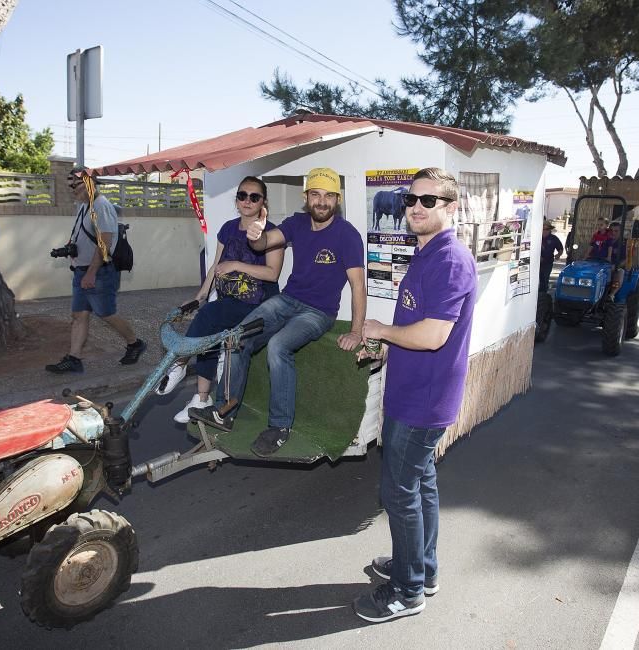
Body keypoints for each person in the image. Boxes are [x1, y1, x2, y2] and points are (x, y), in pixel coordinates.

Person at [351, 167, 477, 623]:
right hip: (414, 390)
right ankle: (421, 570)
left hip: (423, 400)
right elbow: (415, 329)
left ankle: (406, 591)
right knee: (420, 484)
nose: (416, 208)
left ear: (450, 207)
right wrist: (386, 346)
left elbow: (434, 335)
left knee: (398, 490)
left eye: (428, 201)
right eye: (411, 200)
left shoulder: (448, 259)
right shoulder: (428, 253)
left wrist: (382, 329)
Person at [189, 167, 366, 456]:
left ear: (337, 199)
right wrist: (257, 235)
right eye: (316, 194)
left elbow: (358, 285)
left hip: (318, 312)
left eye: (329, 196)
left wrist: (356, 331)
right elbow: (264, 242)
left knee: (277, 346)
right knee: (236, 338)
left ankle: (280, 426)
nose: (321, 201)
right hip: (287, 299)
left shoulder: (347, 235)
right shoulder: (297, 222)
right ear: (306, 197)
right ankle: (224, 411)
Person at [158, 177, 284, 423]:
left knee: (210, 316)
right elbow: (216, 266)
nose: (247, 201)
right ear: (236, 199)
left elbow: (272, 273)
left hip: (257, 304)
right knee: (208, 327)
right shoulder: (228, 228)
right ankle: (201, 397)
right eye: (242, 195)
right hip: (229, 300)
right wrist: (198, 297)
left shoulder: (272, 232)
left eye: (254, 197)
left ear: (263, 202)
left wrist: (237, 264)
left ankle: (181, 363)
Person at [45, 170, 145, 373]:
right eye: (70, 185)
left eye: (75, 185)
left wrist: (91, 273)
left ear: (89, 184)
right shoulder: (84, 206)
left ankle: (135, 343)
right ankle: (74, 358)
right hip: (82, 271)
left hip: (99, 272)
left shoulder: (101, 206)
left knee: (106, 314)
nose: (72, 190)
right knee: (79, 315)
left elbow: (105, 244)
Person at [587, 221, 625, 301]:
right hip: (598, 264)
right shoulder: (602, 239)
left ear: (621, 231)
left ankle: (611, 294)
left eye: (616, 231)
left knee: (620, 272)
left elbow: (626, 259)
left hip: (614, 266)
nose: (613, 233)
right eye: (611, 230)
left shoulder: (623, 243)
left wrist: (617, 266)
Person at [539, 222, 564, 293]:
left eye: (546, 229)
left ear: (550, 230)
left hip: (548, 262)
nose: (544, 231)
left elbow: (560, 249)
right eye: (543, 229)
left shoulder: (554, 238)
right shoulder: (537, 237)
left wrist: (558, 255)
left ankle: (543, 295)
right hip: (536, 263)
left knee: (545, 279)